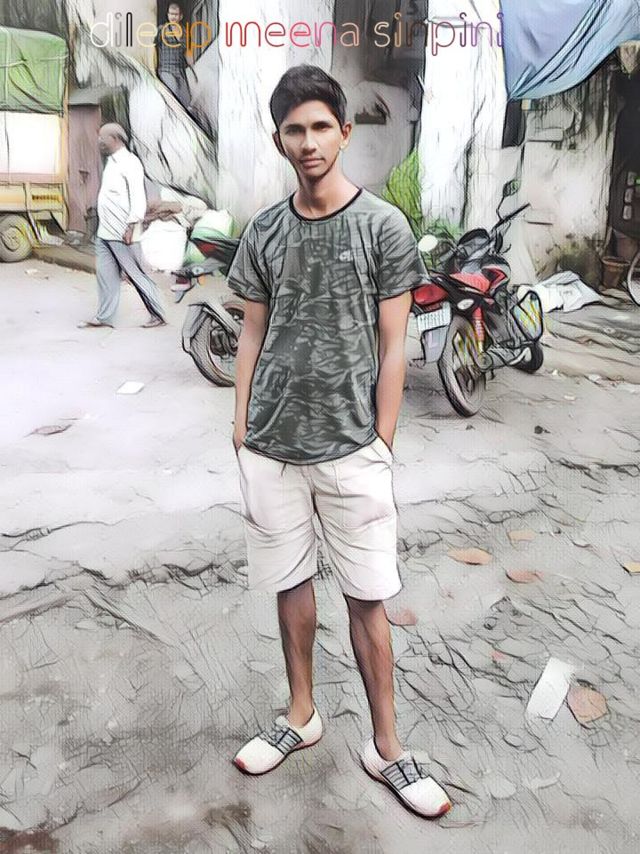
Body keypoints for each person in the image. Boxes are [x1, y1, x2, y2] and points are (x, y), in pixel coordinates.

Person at [227, 65, 452, 819]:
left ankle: (386, 747)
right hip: (272, 446)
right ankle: (301, 715)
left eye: (322, 126)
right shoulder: (264, 231)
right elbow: (251, 334)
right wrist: (241, 427)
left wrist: (381, 441)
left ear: (345, 133)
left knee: (367, 599)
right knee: (290, 586)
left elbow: (395, 346)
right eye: (294, 129)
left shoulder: (382, 227)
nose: (309, 141)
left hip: (354, 449)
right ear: (279, 141)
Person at [78, 123, 166, 330]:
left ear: (115, 139)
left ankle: (158, 313)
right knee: (105, 277)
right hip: (105, 232)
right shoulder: (112, 161)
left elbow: (138, 197)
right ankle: (104, 317)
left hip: (122, 232)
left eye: (102, 137)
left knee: (136, 275)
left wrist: (131, 226)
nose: (99, 141)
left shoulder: (130, 162)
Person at [155, 2, 193, 110]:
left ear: (181, 16)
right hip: (165, 69)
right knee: (173, 92)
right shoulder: (161, 30)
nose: (173, 17)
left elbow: (186, 51)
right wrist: (153, 66)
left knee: (186, 99)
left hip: (180, 70)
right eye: (171, 14)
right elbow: (153, 47)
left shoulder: (184, 32)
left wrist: (192, 64)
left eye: (175, 14)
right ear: (168, 15)